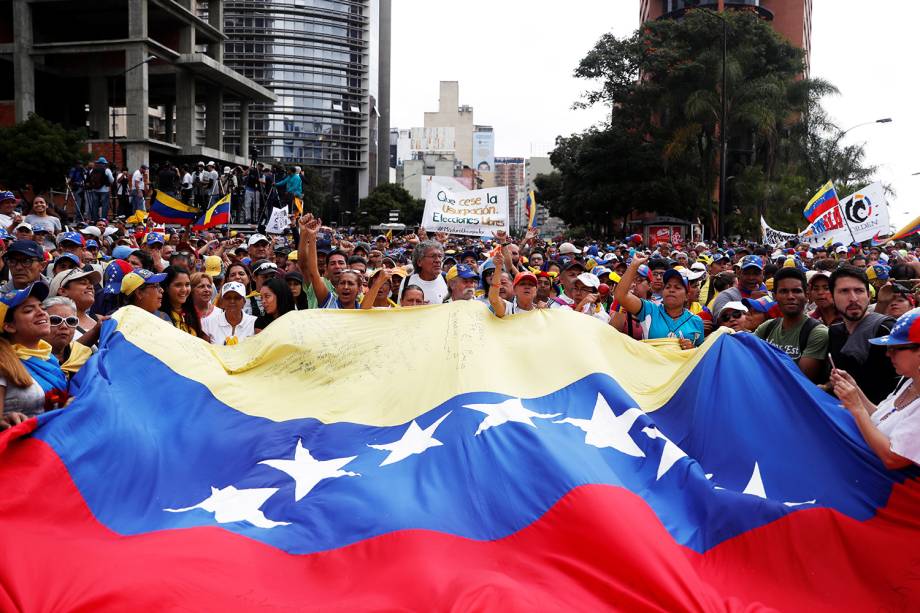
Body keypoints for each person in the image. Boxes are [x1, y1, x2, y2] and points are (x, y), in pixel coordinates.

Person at [831, 308, 920, 469]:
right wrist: (855, 389)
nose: (888, 353)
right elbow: (881, 417)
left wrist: (857, 408)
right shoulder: (908, 380)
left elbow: (893, 458)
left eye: (895, 348)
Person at [825, 265, 898, 404]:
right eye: (844, 291)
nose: (853, 298)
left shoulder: (887, 330)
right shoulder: (834, 332)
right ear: (832, 297)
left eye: (859, 291)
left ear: (869, 295)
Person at [0, 282, 68, 411]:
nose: (41, 313)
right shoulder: (3, 364)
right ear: (9, 326)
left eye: (42, 308)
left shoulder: (49, 358)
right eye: (29, 310)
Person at [754, 267, 829, 383]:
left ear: (807, 295)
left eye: (796, 291)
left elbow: (800, 381)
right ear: (774, 296)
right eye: (784, 291)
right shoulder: (767, 327)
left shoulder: (817, 333)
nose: (790, 297)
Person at [614, 256, 703, 349]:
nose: (671, 290)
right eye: (668, 287)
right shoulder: (649, 310)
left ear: (686, 296)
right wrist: (633, 266)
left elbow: (701, 356)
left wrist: (693, 348)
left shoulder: (696, 321)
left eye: (677, 287)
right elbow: (621, 295)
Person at [40, 296, 93, 379]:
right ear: (41, 322)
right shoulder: (29, 357)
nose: (64, 326)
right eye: (55, 320)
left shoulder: (84, 356)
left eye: (71, 321)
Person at [48, 268, 102, 341]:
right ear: (63, 291)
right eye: (83, 283)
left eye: (91, 284)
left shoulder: (99, 320)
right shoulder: (51, 324)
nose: (91, 287)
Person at [396, 239, 448, 305]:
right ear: (419, 262)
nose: (438, 260)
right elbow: (400, 309)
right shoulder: (407, 281)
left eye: (440, 256)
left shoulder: (448, 279)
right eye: (433, 256)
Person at [160, 266, 207, 339]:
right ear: (166, 287)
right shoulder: (159, 316)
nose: (184, 289)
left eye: (187, 284)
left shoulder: (192, 312)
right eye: (178, 285)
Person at [86, 157, 114, 221]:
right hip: (105, 190)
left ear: (98, 163)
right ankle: (103, 219)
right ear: (104, 163)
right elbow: (112, 180)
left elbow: (89, 179)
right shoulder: (107, 170)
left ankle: (95, 219)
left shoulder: (92, 170)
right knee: (105, 205)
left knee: (95, 205)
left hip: (95, 190)